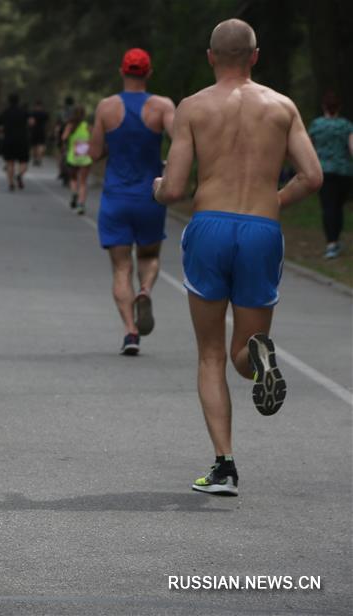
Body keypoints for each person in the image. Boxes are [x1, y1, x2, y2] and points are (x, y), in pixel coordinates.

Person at [153, 19, 322, 495]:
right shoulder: (281, 106)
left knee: (209, 353)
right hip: (262, 229)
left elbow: (177, 188)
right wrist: (272, 202)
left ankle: (224, 466)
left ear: (211, 57)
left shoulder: (193, 108)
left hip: (209, 227)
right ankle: (257, 359)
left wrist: (159, 188)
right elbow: (312, 176)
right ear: (255, 55)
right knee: (242, 352)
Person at [89, 48, 176, 355]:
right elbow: (182, 142)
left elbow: (95, 152)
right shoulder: (162, 106)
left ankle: (130, 331)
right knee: (149, 256)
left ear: (121, 71)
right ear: (148, 72)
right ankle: (146, 290)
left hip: (116, 198)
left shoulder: (106, 107)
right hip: (150, 196)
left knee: (121, 268)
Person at [308, 90, 353, 259]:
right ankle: (336, 239)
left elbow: (308, 148)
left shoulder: (316, 125)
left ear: (323, 107)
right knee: (338, 207)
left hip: (323, 171)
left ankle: (331, 243)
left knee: (328, 207)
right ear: (339, 107)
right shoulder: (346, 125)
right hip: (344, 172)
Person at [0, 93, 30, 191]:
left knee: (10, 163)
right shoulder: (24, 111)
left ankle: (11, 184)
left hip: (9, 139)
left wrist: (3, 129)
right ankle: (19, 175)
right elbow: (31, 122)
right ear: (18, 100)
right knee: (23, 162)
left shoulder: (5, 112)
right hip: (22, 140)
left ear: (9, 101)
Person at [61, 106, 92, 212]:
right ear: (84, 115)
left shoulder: (70, 125)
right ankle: (81, 205)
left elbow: (64, 138)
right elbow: (92, 138)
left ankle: (74, 192)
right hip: (85, 157)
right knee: (83, 182)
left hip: (73, 157)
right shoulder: (87, 126)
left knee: (73, 178)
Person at [29, 100, 50, 166]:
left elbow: (31, 123)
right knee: (41, 145)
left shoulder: (32, 113)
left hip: (34, 131)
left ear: (35, 106)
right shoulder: (45, 113)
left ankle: (35, 158)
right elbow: (47, 123)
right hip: (42, 130)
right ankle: (39, 159)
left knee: (34, 146)